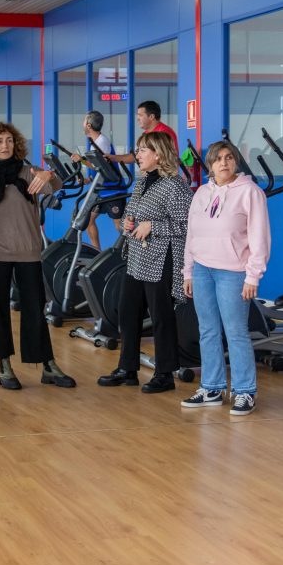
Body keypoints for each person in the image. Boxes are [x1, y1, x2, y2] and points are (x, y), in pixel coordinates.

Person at [0, 122, 74, 390]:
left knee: (34, 309)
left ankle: (47, 365)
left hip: (28, 251)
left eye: (8, 140)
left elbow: (56, 186)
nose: (5, 145)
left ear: (15, 144)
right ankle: (4, 365)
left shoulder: (29, 173)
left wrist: (48, 174)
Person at [98, 131, 192, 392]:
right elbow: (132, 216)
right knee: (127, 311)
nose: (137, 155)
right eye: (138, 150)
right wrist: (128, 224)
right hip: (137, 258)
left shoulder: (175, 185)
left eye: (142, 151)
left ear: (158, 154)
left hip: (162, 258)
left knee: (161, 317)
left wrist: (154, 225)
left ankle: (165, 374)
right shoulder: (141, 183)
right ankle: (127, 368)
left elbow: (187, 225)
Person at [181, 139, 271, 416]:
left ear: (236, 162)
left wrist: (253, 277)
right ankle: (211, 387)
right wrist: (188, 270)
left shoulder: (251, 192)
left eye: (229, 157)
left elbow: (260, 237)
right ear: (210, 164)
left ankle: (244, 391)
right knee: (207, 330)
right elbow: (191, 235)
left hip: (233, 272)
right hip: (203, 269)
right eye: (218, 158)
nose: (224, 162)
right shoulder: (200, 194)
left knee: (236, 332)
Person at [69, 110, 128, 251]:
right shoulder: (94, 142)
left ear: (88, 125)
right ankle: (97, 252)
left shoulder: (102, 142)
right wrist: (89, 179)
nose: (82, 124)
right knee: (88, 220)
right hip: (101, 190)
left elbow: (101, 166)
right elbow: (98, 170)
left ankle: (132, 252)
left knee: (119, 226)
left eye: (84, 122)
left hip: (113, 190)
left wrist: (81, 160)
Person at [106, 100, 179, 166]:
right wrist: (113, 158)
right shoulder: (146, 134)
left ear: (151, 116)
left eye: (140, 115)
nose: (137, 118)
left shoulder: (163, 133)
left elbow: (163, 159)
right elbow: (136, 156)